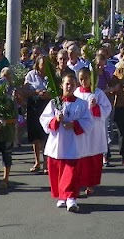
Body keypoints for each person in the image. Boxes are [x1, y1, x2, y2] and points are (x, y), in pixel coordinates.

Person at [40, 74, 93, 212]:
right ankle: (62, 197)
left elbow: (88, 122)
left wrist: (74, 124)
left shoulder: (81, 104)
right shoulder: (55, 102)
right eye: (66, 84)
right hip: (57, 143)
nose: (69, 86)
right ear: (61, 86)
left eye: (72, 84)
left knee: (71, 171)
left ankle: (71, 198)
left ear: (76, 86)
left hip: (73, 144)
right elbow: (44, 119)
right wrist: (56, 120)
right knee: (57, 171)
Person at [74, 68, 112, 196]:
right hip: (81, 129)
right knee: (80, 157)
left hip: (94, 130)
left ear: (91, 78)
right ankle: (79, 182)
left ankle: (91, 183)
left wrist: (96, 107)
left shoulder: (98, 93)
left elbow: (107, 108)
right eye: (81, 79)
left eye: (85, 78)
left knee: (92, 158)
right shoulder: (76, 93)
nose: (83, 81)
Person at [22, 56, 51, 174]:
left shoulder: (51, 75)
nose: (43, 66)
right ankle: (37, 161)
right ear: (37, 64)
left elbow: (57, 91)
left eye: (46, 64)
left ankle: (46, 163)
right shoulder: (31, 75)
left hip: (47, 105)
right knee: (35, 136)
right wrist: (36, 92)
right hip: (34, 106)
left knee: (45, 135)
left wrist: (48, 94)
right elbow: (24, 91)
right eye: (42, 64)